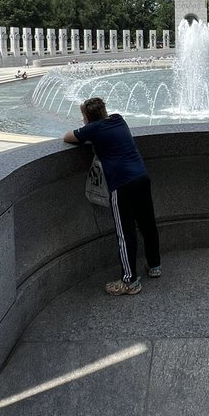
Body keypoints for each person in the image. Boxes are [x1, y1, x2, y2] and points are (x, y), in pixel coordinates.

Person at [64, 97, 161, 295]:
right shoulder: (119, 119)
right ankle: (154, 266)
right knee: (148, 224)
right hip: (141, 176)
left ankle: (130, 282)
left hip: (122, 183)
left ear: (87, 117)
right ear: (104, 111)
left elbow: (68, 137)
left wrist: (87, 127)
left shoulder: (92, 129)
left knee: (125, 234)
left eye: (83, 116)